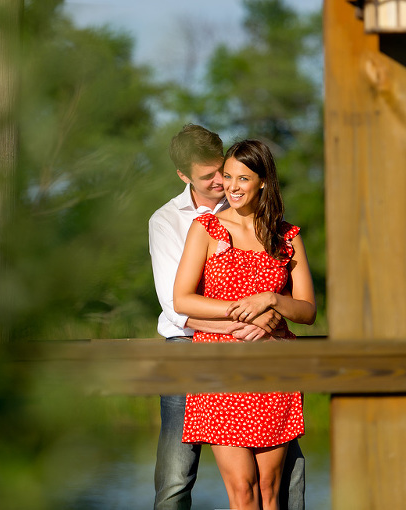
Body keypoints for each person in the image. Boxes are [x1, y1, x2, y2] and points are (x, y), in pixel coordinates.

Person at [149, 125, 306, 510]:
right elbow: (179, 304)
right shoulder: (173, 222)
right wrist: (250, 318)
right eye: (213, 176)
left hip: (271, 361)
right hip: (197, 350)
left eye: (230, 173)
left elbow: (303, 306)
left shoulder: (279, 229)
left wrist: (270, 304)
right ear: (184, 176)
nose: (224, 183)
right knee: (178, 476)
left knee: (281, 483)